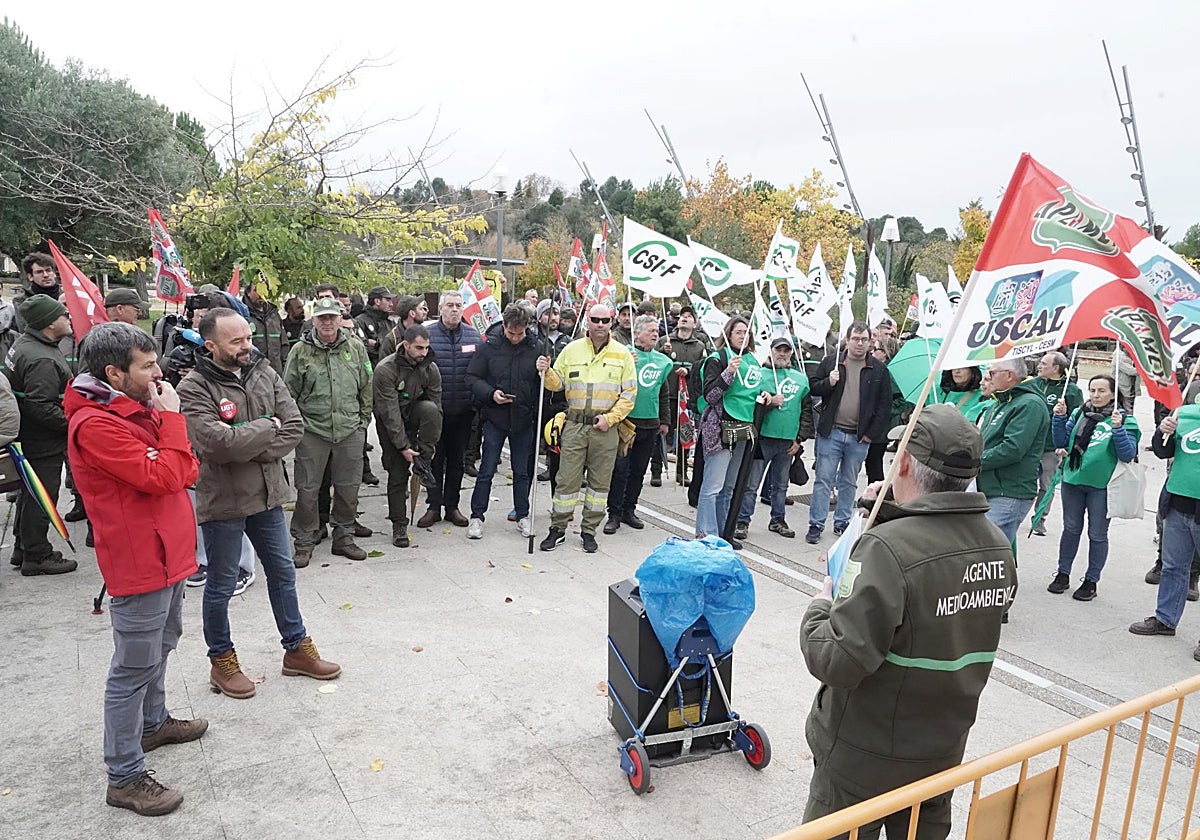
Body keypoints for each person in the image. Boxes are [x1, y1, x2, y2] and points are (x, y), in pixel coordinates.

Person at [799, 405, 1016, 838]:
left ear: (901, 463)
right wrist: (888, 516)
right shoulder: (997, 544)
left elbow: (838, 660)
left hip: (866, 755)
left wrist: (820, 607)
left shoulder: (887, 549)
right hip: (940, 750)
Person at [64, 322, 206, 816]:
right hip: (139, 560)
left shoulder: (132, 409)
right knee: (133, 666)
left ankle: (153, 723)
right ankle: (124, 775)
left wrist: (168, 437)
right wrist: (172, 424)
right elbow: (167, 473)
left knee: (162, 644)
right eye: (146, 367)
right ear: (113, 373)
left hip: (168, 553)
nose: (157, 374)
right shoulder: (95, 424)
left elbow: (186, 470)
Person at [178, 308, 341, 700]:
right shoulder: (194, 387)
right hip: (225, 501)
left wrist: (245, 444)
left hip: (269, 494)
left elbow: (295, 427)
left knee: (283, 573)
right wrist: (267, 427)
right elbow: (215, 444)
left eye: (248, 338)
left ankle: (296, 649)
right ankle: (222, 661)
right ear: (211, 344)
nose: (247, 347)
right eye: (236, 342)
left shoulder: (264, 372)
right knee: (220, 585)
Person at [539, 303, 635, 553]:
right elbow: (556, 384)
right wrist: (545, 371)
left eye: (605, 320)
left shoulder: (622, 354)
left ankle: (589, 531)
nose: (600, 324)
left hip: (605, 428)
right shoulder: (571, 350)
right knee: (566, 480)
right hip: (575, 425)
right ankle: (557, 529)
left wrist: (611, 419)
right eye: (595, 320)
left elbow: (629, 394)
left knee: (599, 485)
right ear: (587, 322)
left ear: (611, 322)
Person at [284, 297, 374, 566]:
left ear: (339, 319)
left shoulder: (356, 349)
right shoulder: (300, 351)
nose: (327, 322)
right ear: (314, 320)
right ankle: (304, 540)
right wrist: (297, 425)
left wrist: (362, 423)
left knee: (349, 488)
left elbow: (366, 386)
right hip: (313, 430)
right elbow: (288, 393)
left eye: (332, 317)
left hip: (349, 430)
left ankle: (344, 537)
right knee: (308, 490)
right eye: (322, 317)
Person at [1048, 374, 1139, 601]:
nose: (1096, 396)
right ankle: (1063, 573)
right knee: (1070, 529)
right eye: (1092, 390)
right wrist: (1059, 418)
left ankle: (1091, 580)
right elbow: (1062, 441)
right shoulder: (1081, 413)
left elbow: (1127, 454)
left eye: (1102, 391)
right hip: (1073, 480)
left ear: (1113, 394)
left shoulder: (1125, 419)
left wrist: (1118, 430)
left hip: (1102, 486)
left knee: (1097, 534)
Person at [805, 321, 896, 544]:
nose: (860, 343)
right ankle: (816, 524)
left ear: (870, 342)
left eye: (864, 339)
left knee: (849, 481)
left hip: (859, 437)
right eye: (856, 339)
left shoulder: (879, 369)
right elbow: (814, 388)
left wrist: (870, 434)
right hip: (831, 432)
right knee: (823, 480)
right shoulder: (832, 362)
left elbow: (884, 405)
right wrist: (829, 381)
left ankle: (842, 521)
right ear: (847, 339)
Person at [5, 295, 77, 575]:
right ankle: (37, 555)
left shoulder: (27, 343)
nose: (68, 318)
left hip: (28, 437)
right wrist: (74, 424)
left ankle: (23, 548)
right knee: (42, 494)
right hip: (41, 441)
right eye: (63, 315)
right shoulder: (42, 359)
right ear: (49, 323)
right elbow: (41, 408)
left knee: (30, 491)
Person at [465, 303, 550, 538]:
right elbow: (472, 377)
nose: (514, 337)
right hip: (496, 417)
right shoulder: (490, 346)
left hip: (524, 419)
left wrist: (546, 370)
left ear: (527, 329)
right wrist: (491, 393)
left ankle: (523, 514)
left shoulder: (537, 347)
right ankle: (477, 516)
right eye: (511, 333)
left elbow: (548, 385)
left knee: (522, 471)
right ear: (504, 326)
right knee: (487, 470)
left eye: (519, 333)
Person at [1129, 395, 1200, 650]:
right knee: (1173, 567)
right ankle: (1165, 619)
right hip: (1178, 504)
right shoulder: (1186, 413)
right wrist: (1162, 431)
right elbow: (1163, 451)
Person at [733, 336, 813, 540]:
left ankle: (778, 519)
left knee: (781, 485)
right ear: (771, 351)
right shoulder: (759, 375)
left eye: (786, 350)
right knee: (752, 484)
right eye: (779, 349)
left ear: (791, 353)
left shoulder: (801, 379)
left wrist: (800, 439)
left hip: (787, 441)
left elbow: (806, 412)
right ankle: (743, 521)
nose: (782, 353)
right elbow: (750, 406)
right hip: (763, 439)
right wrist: (769, 403)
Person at [694, 316, 763, 548]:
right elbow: (710, 396)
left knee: (729, 487)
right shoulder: (717, 359)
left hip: (743, 430)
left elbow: (756, 391)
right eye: (738, 332)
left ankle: (724, 534)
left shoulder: (753, 360)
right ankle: (706, 535)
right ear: (728, 334)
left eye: (747, 332)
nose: (743, 336)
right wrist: (728, 374)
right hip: (720, 428)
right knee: (712, 486)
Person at [417, 290, 482, 529]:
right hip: (434, 412)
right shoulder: (428, 335)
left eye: (458, 305)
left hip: (463, 412)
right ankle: (433, 506)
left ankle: (452, 506)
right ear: (440, 308)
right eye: (450, 305)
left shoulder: (474, 337)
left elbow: (479, 371)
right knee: (434, 460)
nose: (454, 309)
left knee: (457, 462)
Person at [374, 324, 442, 548]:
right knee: (397, 473)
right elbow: (390, 413)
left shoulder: (430, 368)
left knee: (431, 411)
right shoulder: (386, 369)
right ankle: (399, 524)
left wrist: (425, 451)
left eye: (426, 348)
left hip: (415, 416)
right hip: (390, 423)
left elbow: (436, 406)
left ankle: (423, 464)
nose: (423, 352)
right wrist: (403, 447)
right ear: (405, 345)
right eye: (419, 348)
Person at [604, 315, 672, 535]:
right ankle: (613, 513)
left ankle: (629, 509)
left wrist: (665, 420)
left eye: (657, 330)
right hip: (627, 422)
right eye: (651, 330)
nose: (655, 334)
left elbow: (663, 391)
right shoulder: (625, 354)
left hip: (650, 424)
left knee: (638, 471)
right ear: (638, 332)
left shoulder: (662, 361)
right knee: (620, 470)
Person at [977, 358, 1050, 544]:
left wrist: (975, 461)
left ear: (1009, 375)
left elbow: (1013, 449)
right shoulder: (1000, 402)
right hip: (990, 487)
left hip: (1009, 491)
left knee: (987, 550)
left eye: (992, 373)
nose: (988, 378)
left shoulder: (1029, 404)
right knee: (985, 553)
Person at [654, 305, 713, 488]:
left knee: (684, 434)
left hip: (685, 398)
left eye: (689, 316)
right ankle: (656, 471)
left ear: (695, 324)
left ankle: (681, 472)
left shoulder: (699, 346)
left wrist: (688, 371)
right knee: (660, 433)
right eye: (682, 316)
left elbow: (704, 368)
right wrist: (662, 352)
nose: (684, 318)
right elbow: (654, 362)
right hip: (667, 394)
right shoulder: (665, 341)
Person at [1030, 351, 1083, 536]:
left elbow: (1077, 420)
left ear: (1056, 368)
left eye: (1044, 363)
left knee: (1046, 485)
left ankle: (1039, 519)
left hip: (1051, 446)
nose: (1039, 366)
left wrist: (1068, 444)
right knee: (1025, 481)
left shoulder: (1071, 391)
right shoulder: (1031, 384)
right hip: (1028, 444)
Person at [243, 282, 289, 371]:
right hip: (253, 375)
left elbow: (284, 345)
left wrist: (285, 369)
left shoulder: (274, 315)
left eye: (264, 289)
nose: (261, 294)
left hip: (277, 374)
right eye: (256, 290)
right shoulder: (242, 315)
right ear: (248, 292)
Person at [13, 252, 61, 330]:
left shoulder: (67, 296)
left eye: (48, 270)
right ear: (30, 276)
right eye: (39, 272)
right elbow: (26, 329)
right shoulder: (22, 301)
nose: (45, 275)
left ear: (54, 273)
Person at [353, 286, 394, 366]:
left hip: (389, 368)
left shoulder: (390, 322)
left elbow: (396, 345)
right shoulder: (360, 321)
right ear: (377, 301)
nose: (391, 304)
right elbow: (361, 348)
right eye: (388, 300)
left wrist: (378, 343)